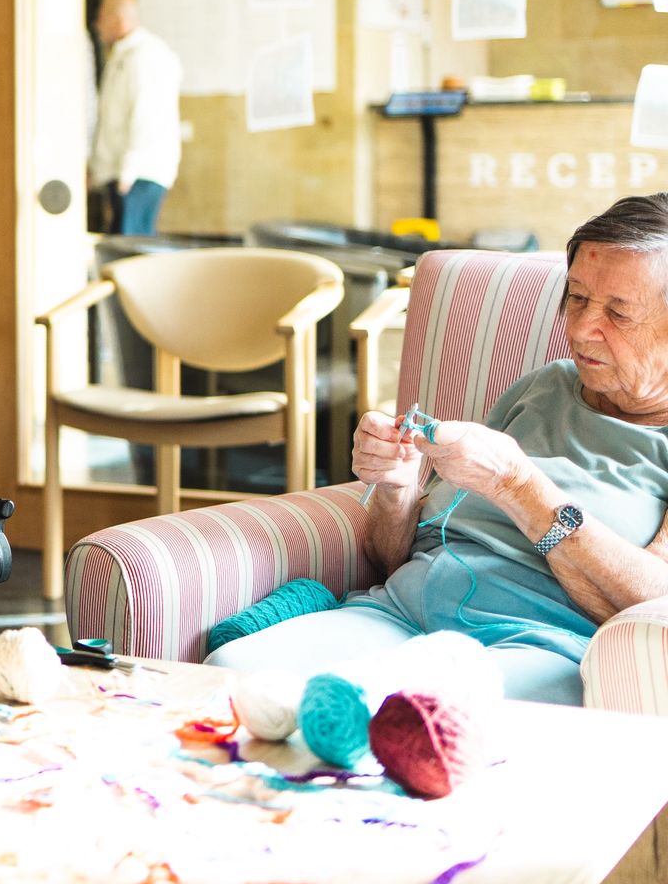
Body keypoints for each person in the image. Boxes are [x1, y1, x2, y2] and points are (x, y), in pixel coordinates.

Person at [206, 194, 668, 706]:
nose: (579, 329)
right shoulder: (546, 386)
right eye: (577, 298)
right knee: (229, 676)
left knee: (404, 713)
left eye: (618, 313)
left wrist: (518, 485)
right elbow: (392, 557)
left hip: (535, 645)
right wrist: (396, 490)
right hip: (400, 612)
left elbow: (655, 603)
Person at [88, 0, 182, 236]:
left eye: (102, 19)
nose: (97, 26)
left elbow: (146, 117)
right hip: (122, 172)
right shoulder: (122, 55)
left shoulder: (145, 56)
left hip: (137, 174)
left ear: (118, 21)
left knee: (131, 245)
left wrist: (130, 170)